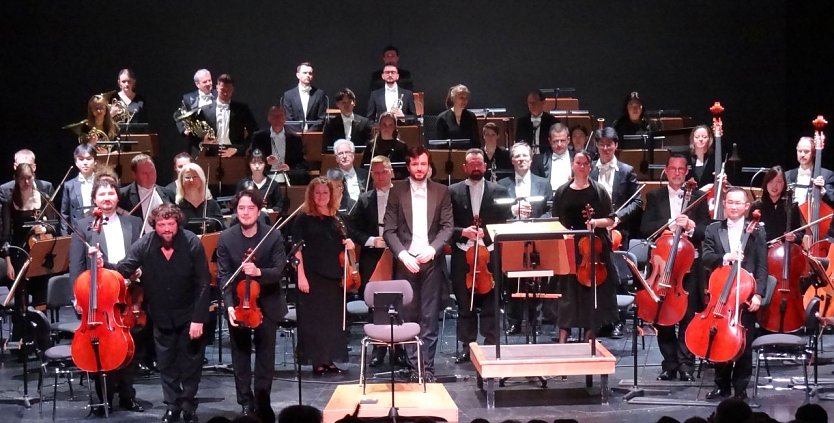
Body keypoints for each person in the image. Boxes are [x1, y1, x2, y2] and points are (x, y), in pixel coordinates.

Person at [115, 203, 211, 423]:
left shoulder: (191, 242)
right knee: (166, 363)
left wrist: (199, 318)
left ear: (177, 223)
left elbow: (204, 283)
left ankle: (188, 405)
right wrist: (101, 264)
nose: (166, 229)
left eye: (170, 224)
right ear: (154, 225)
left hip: (189, 313)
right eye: (161, 224)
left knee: (190, 363)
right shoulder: (145, 244)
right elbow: (123, 268)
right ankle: (172, 405)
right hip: (160, 315)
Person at [68, 172, 145, 415]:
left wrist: (138, 271)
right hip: (99, 297)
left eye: (111, 192)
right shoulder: (84, 225)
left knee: (129, 345)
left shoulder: (132, 223)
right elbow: (76, 264)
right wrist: (76, 297)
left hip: (127, 293)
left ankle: (127, 395)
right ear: (95, 198)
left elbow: (139, 256)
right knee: (100, 346)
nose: (107, 197)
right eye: (102, 193)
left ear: (117, 196)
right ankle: (104, 398)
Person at [382, 146, 453, 381]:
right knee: (409, 316)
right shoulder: (397, 192)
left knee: (429, 316)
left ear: (429, 165)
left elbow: (447, 227)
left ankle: (428, 367)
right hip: (406, 262)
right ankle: (415, 369)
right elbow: (389, 230)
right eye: (415, 164)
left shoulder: (442, 191)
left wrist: (433, 249)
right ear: (408, 166)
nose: (419, 168)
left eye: (423, 164)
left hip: (431, 261)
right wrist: (403, 256)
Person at [218, 190, 286, 423]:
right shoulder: (227, 238)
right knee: (241, 355)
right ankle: (245, 403)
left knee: (266, 356)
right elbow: (224, 275)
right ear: (236, 211)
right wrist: (228, 306)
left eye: (250, 208)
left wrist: (259, 272)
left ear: (259, 211)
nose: (245, 213)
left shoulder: (273, 236)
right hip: (239, 304)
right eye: (241, 209)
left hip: (266, 302)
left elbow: (279, 271)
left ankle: (262, 401)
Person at [640, 154, 710, 381]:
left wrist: (690, 226)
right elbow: (645, 227)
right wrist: (669, 224)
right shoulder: (654, 196)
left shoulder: (698, 197)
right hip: (663, 266)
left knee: (689, 317)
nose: (677, 173)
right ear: (666, 171)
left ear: (687, 171)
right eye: (673, 169)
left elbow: (707, 232)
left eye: (681, 169)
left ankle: (686, 364)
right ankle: (669, 364)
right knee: (663, 317)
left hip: (689, 267)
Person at [701, 187, 768, 400]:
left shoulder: (757, 230)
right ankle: (721, 385)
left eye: (738, 203)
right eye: (730, 202)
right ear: (724, 204)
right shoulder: (713, 229)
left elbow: (762, 267)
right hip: (721, 294)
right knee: (719, 338)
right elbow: (706, 257)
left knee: (743, 343)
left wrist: (759, 294)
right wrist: (726, 257)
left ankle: (741, 388)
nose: (734, 206)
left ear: (747, 206)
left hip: (746, 295)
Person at [448, 149, 512, 363]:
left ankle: (491, 344)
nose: (476, 167)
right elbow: (445, 224)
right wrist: (462, 232)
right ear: (464, 167)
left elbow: (506, 222)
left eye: (479, 164)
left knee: (491, 301)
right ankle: (468, 346)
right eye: (471, 164)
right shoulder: (452, 191)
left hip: (490, 253)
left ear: (485, 166)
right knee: (465, 304)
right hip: (463, 254)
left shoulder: (500, 191)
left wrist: (489, 233)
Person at [550, 150, 618, 343]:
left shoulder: (599, 190)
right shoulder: (563, 191)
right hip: (570, 247)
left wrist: (595, 222)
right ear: (573, 165)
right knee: (568, 294)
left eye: (585, 164)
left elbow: (610, 219)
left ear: (590, 166)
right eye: (578, 163)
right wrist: (565, 232)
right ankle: (564, 334)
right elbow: (555, 219)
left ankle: (590, 334)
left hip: (594, 249)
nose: (581, 167)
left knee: (592, 294)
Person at [291, 177, 352, 375]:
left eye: (325, 193)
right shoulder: (303, 219)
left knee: (332, 321)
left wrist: (349, 245)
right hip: (312, 276)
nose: (321, 196)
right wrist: (300, 276)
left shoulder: (336, 219)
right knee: (314, 321)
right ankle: (318, 360)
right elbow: (296, 249)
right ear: (311, 195)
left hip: (333, 277)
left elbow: (343, 244)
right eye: (317, 193)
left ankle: (329, 359)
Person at [348, 155, 405, 367]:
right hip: (374, 256)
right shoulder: (364, 200)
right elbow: (352, 229)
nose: (380, 176)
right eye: (376, 173)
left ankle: (399, 347)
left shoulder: (403, 195)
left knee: (399, 302)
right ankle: (379, 348)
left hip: (399, 256)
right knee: (377, 304)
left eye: (383, 172)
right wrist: (372, 240)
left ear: (392, 172)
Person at [498, 142, 554, 336]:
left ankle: (535, 322)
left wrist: (536, 220)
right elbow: (496, 211)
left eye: (525, 156)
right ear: (512, 160)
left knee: (536, 279)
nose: (521, 159)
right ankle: (514, 321)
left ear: (531, 160)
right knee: (512, 280)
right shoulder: (502, 184)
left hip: (536, 236)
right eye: (517, 156)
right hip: (512, 237)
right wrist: (511, 211)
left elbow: (550, 209)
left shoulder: (543, 183)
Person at [2, 163, 57, 310]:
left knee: (41, 295)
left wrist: (44, 228)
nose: (26, 182)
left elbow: (54, 226)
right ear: (16, 179)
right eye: (22, 179)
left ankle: (41, 329)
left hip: (40, 253)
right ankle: (23, 329)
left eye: (29, 178)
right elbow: (6, 235)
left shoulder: (44, 198)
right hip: (19, 254)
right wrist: (8, 262)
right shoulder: (10, 201)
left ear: (34, 177)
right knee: (21, 297)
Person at [590, 127, 642, 250]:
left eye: (609, 145)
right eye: (601, 145)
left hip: (619, 230)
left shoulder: (627, 171)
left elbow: (637, 202)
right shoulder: (589, 169)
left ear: (616, 145)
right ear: (596, 145)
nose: (605, 149)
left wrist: (618, 217)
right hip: (594, 229)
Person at [199, 74, 258, 158]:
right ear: (217, 88)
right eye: (223, 90)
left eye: (229, 90)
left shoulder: (242, 109)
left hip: (235, 155)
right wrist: (203, 142)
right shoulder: (205, 110)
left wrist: (237, 149)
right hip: (211, 155)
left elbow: (254, 132)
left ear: (233, 89)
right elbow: (197, 136)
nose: (226, 93)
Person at [249, 105, 310, 186]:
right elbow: (251, 158)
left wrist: (289, 168)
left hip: (288, 177)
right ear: (269, 118)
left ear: (285, 118)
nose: (277, 119)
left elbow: (302, 163)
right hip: (265, 176)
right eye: (274, 116)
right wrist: (265, 161)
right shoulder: (259, 137)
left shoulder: (295, 139)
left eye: (280, 116)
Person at [118, 154, 175, 233]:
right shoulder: (123, 195)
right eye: (144, 173)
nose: (150, 176)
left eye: (152, 171)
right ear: (134, 175)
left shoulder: (168, 193)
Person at [749, 166, 802, 245]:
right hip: (761, 251)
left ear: (784, 184)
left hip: (783, 252)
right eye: (771, 181)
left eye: (779, 181)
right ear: (765, 183)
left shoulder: (792, 206)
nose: (774, 186)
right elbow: (749, 233)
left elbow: (800, 232)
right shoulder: (756, 206)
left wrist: (794, 237)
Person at [785, 136, 834, 208]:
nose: (802, 154)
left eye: (806, 151)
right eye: (799, 151)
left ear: (814, 153)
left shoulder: (826, 175)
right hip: (791, 218)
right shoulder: (787, 175)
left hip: (814, 217)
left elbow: (832, 200)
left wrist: (823, 192)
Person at [176, 163, 225, 234]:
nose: (191, 180)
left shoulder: (212, 204)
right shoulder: (177, 207)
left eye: (195, 177)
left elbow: (222, 229)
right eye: (187, 177)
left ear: (202, 179)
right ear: (181, 181)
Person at [60, 143, 98, 235]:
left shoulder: (101, 182)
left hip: (98, 228)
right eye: (81, 159)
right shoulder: (69, 185)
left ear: (95, 161)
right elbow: (64, 214)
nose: (85, 163)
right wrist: (65, 237)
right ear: (76, 162)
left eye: (89, 159)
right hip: (77, 232)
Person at [235, 149, 287, 215]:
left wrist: (270, 210)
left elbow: (279, 206)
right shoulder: (242, 184)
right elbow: (236, 205)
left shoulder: (274, 185)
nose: (257, 166)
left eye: (260, 163)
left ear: (265, 164)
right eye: (253, 163)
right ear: (249, 164)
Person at [322, 88, 372, 153]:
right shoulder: (331, 124)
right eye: (343, 102)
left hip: (359, 158)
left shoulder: (364, 122)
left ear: (354, 103)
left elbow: (368, 145)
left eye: (349, 101)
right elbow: (326, 145)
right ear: (337, 104)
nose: (347, 105)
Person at [281, 62, 327, 132]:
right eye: (305, 73)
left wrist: (308, 134)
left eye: (310, 73)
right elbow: (288, 119)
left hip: (313, 136)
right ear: (298, 75)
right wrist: (299, 134)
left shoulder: (319, 94)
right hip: (294, 136)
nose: (308, 75)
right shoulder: (288, 95)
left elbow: (321, 118)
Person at [360, 112, 408, 179]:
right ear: (379, 126)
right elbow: (364, 168)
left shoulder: (401, 146)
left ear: (395, 127)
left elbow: (406, 171)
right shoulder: (372, 145)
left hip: (396, 181)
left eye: (390, 125)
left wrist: (394, 175)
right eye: (384, 124)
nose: (387, 127)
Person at [177, 69, 216, 150]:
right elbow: (179, 114)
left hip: (217, 141)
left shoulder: (219, 95)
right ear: (197, 84)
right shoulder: (188, 98)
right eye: (205, 82)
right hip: (197, 144)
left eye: (210, 80)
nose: (208, 83)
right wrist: (184, 129)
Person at [436, 84, 479, 150]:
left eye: (466, 98)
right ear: (453, 98)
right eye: (461, 98)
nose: (464, 101)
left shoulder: (471, 117)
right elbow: (439, 145)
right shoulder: (442, 118)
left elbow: (476, 142)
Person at [531, 123, 573, 191]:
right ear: (549, 141)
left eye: (562, 140)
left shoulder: (577, 158)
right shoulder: (539, 161)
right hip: (548, 200)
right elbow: (534, 185)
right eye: (555, 141)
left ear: (568, 140)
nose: (559, 144)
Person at [515, 90, 558, 155]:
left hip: (547, 157)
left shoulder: (552, 121)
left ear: (543, 103)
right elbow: (519, 142)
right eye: (529, 103)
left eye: (534, 103)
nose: (531, 105)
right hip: (527, 157)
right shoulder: (522, 122)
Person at [329, 139, 368, 205]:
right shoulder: (331, 177)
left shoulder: (365, 174)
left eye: (347, 152)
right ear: (336, 158)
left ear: (353, 155)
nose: (344, 156)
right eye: (340, 153)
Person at [684, 125, 717, 189]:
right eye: (697, 137)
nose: (700, 139)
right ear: (692, 139)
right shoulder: (686, 157)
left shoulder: (715, 158)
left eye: (704, 137)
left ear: (709, 139)